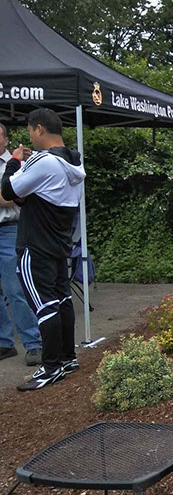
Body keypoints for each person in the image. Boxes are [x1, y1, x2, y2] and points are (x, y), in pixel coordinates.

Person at [0, 109, 84, 391]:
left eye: (29, 132)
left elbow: (8, 191)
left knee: (44, 305)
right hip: (58, 243)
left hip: (35, 245)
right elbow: (42, 198)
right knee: (62, 300)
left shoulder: (44, 161)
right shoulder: (72, 161)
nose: (30, 139)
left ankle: (50, 367)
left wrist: (14, 161)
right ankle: (67, 358)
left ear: (39, 129)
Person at [0, 123, 42, 366]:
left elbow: (12, 196)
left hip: (9, 230)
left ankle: (33, 343)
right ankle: (4, 343)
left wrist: (5, 195)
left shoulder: (17, 164)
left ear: (6, 140)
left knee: (16, 290)